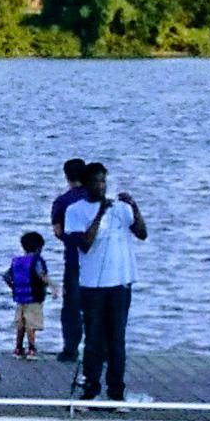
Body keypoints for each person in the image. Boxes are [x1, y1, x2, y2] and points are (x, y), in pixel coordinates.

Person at [63, 161, 148, 402]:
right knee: (94, 339)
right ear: (86, 184)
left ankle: (116, 391)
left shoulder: (120, 209)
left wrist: (134, 207)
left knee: (117, 340)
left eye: (103, 182)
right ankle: (90, 387)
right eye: (96, 182)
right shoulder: (76, 211)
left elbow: (142, 233)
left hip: (120, 283)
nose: (101, 187)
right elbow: (85, 245)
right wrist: (100, 213)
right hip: (92, 286)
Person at [48, 158, 89, 362]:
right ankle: (101, 347)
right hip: (98, 260)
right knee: (98, 303)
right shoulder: (95, 199)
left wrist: (71, 238)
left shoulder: (62, 201)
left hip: (73, 257)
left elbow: (58, 231)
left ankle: (70, 348)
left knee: (72, 305)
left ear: (66, 176)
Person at [2, 232, 50, 360]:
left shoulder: (17, 261)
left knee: (20, 324)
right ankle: (31, 349)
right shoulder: (37, 261)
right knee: (31, 325)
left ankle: (18, 348)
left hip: (20, 298)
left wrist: (14, 287)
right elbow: (41, 275)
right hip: (33, 298)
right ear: (39, 247)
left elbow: (6, 276)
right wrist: (53, 286)